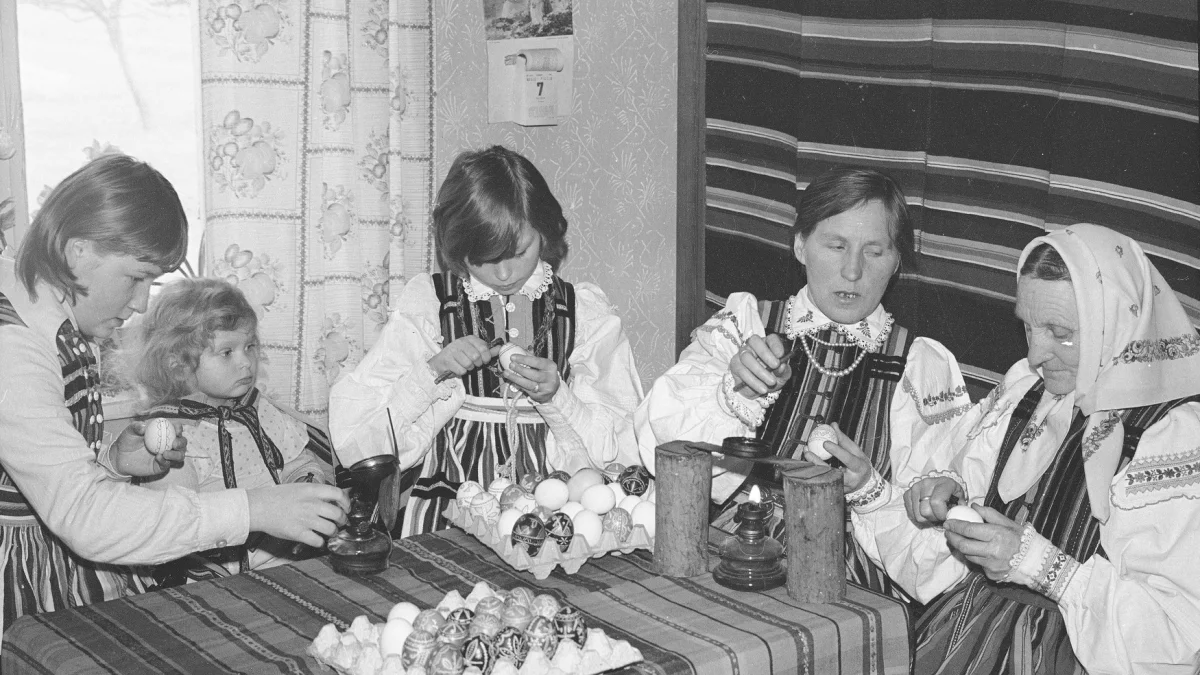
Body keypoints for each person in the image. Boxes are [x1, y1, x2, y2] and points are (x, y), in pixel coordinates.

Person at [0, 155, 348, 632]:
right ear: (77, 251)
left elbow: (40, 470)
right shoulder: (14, 349)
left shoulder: (54, 314)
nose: (141, 301)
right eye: (136, 276)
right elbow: (82, 514)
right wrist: (254, 509)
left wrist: (112, 462)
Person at [830, 224, 1200, 672]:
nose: (1037, 354)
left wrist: (1040, 565)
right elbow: (941, 568)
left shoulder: (1168, 438)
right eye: (1028, 326)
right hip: (966, 633)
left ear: (1119, 325)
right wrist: (935, 501)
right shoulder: (1027, 391)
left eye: (1060, 332)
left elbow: (1174, 640)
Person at [635, 166, 970, 599]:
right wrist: (734, 395)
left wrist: (869, 489)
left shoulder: (918, 366)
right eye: (836, 246)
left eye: (874, 251)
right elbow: (661, 447)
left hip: (842, 574)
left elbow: (932, 538)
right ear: (800, 245)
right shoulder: (747, 326)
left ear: (896, 263)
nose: (853, 271)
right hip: (730, 544)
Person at [329, 145, 643, 537]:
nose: (506, 273)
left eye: (520, 252)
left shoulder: (581, 310)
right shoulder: (430, 303)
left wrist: (557, 396)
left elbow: (622, 446)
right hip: (453, 499)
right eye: (486, 259)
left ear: (544, 232)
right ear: (458, 249)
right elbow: (361, 440)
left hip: (554, 501)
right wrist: (433, 371)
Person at [128, 278, 337, 577]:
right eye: (227, 352)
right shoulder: (173, 434)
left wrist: (306, 482)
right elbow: (178, 524)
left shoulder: (258, 410)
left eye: (249, 347)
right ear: (178, 365)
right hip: (209, 572)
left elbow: (296, 461)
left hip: (285, 557)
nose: (246, 363)